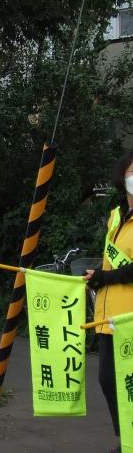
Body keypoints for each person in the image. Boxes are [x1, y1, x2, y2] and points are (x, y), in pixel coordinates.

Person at [85, 149, 133, 453]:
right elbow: (110, 263)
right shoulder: (115, 217)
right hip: (107, 318)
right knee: (108, 381)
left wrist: (106, 278)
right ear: (122, 177)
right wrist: (97, 276)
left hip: (129, 319)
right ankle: (126, 437)